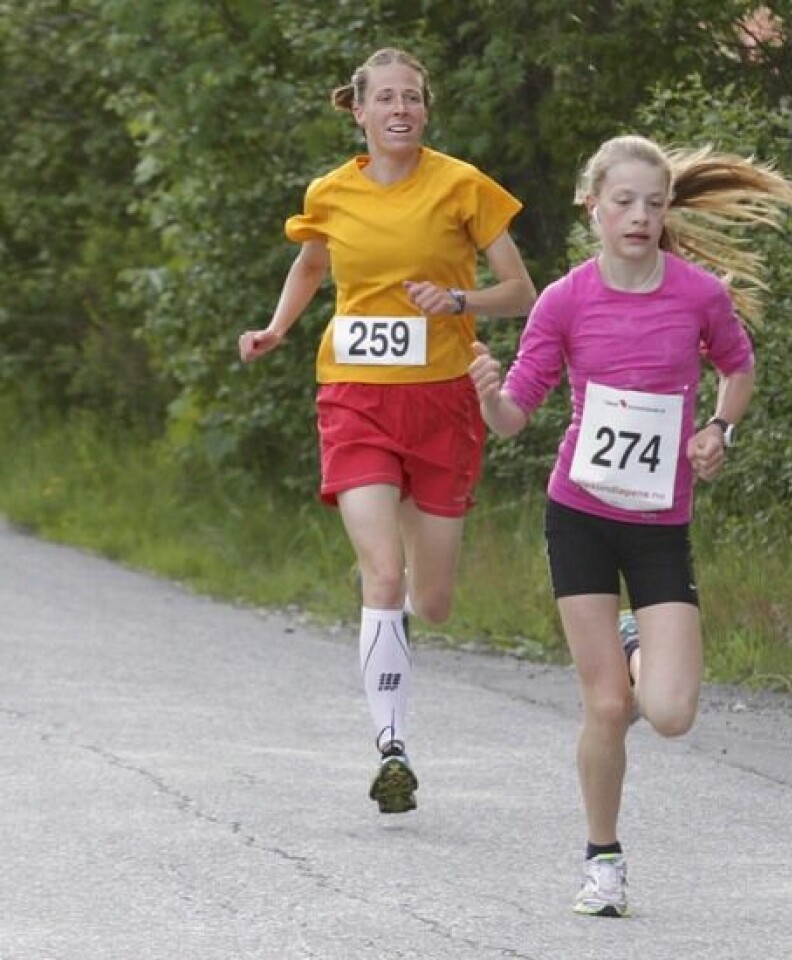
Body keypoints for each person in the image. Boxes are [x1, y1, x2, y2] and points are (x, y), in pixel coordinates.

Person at [469, 134, 792, 915]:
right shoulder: (564, 300)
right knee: (609, 709)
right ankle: (603, 860)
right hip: (579, 517)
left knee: (672, 713)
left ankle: (634, 639)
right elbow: (517, 415)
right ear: (594, 206)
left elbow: (739, 367)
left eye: (654, 203)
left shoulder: (697, 296)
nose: (640, 216)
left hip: (660, 525)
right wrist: (487, 392)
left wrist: (719, 430)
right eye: (624, 201)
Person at [238, 48, 536, 816]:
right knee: (383, 574)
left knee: (431, 600)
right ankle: (392, 746)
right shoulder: (331, 192)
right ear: (360, 112)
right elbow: (311, 267)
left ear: (426, 111)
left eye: (413, 98)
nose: (400, 109)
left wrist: (459, 302)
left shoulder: (462, 185)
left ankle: (395, 623)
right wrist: (276, 329)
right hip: (356, 396)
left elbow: (522, 292)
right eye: (386, 99)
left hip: (441, 405)